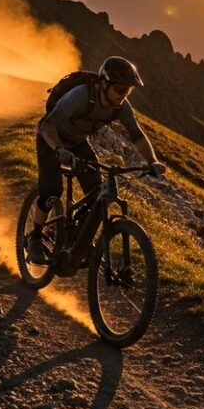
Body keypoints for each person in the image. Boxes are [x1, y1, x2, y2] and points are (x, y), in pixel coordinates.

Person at [28, 56, 165, 264]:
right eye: (120, 89)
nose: (123, 95)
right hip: (51, 139)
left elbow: (137, 135)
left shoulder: (121, 107)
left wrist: (152, 161)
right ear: (104, 84)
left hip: (78, 143)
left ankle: (77, 240)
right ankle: (35, 239)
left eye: (128, 91)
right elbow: (47, 125)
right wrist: (59, 149)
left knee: (97, 194)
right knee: (51, 191)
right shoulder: (80, 96)